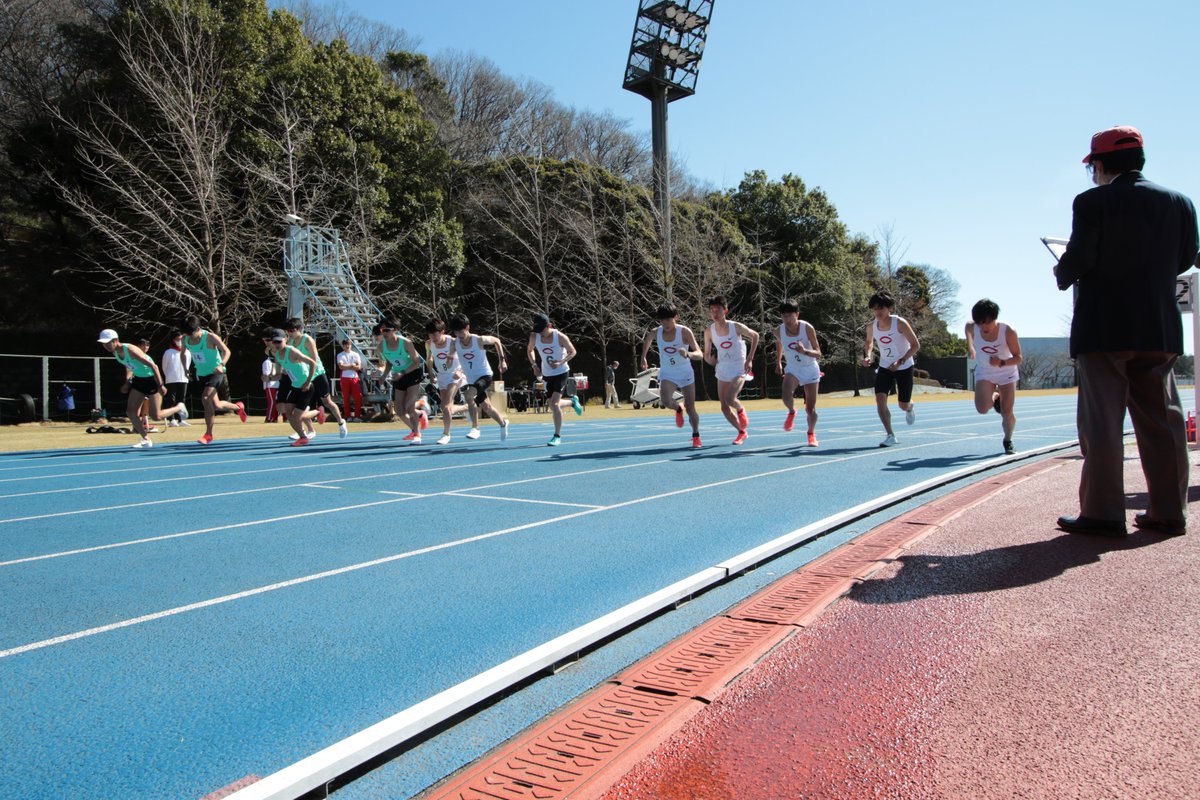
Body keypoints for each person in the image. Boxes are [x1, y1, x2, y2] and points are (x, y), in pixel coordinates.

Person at [1053, 125, 1198, 537]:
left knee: (1103, 424)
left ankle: (1102, 513)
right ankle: (1169, 511)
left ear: (1099, 165)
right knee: (1163, 422)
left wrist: (1061, 272)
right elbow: (1186, 258)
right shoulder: (1180, 203)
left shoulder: (1093, 202)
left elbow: (1079, 258)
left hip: (1104, 328)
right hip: (1159, 326)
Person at [97, 329, 188, 448]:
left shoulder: (130, 350)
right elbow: (129, 366)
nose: (105, 346)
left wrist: (160, 385)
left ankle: (178, 407)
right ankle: (145, 439)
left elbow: (153, 366)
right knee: (130, 412)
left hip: (152, 379)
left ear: (115, 340)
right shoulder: (115, 352)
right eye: (103, 343)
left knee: (156, 416)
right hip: (139, 380)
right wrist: (128, 382)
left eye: (107, 342)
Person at [640, 304, 704, 448]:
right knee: (666, 402)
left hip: (685, 373)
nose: (665, 324)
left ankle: (696, 435)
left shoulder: (684, 332)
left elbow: (700, 354)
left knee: (691, 408)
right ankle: (678, 409)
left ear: (676, 317)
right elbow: (648, 339)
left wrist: (688, 353)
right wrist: (643, 356)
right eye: (662, 320)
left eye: (668, 320)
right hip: (668, 373)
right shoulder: (656, 332)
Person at [862, 291, 920, 447]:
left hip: (905, 366)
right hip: (885, 366)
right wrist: (868, 356)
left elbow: (915, 345)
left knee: (903, 404)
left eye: (881, 308)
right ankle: (890, 435)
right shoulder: (871, 326)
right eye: (874, 309)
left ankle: (909, 406)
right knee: (880, 400)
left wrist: (900, 361)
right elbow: (869, 342)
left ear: (889, 308)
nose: (877, 312)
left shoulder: (899, 323)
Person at [965, 298, 1022, 455]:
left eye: (987, 322)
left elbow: (1018, 358)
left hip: (1006, 372)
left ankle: (1008, 440)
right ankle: (995, 396)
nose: (983, 327)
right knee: (982, 408)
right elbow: (968, 328)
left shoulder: (1008, 331)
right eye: (980, 323)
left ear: (995, 318)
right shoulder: (972, 326)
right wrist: (970, 347)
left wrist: (1002, 362)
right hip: (985, 371)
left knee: (1007, 412)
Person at [178, 316, 246, 444]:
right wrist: (186, 369)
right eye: (186, 334)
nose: (189, 337)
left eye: (191, 333)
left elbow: (226, 351)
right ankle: (238, 407)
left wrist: (222, 365)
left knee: (205, 398)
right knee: (216, 405)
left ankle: (208, 434)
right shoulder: (185, 339)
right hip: (201, 373)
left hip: (216, 372)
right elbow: (182, 354)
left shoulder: (210, 337)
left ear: (198, 328)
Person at [702, 296, 758, 445]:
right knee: (724, 406)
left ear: (725, 310)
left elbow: (755, 336)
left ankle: (741, 411)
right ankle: (741, 432)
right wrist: (710, 361)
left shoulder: (735, 327)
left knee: (730, 398)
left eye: (718, 310)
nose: (715, 313)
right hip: (722, 368)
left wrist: (750, 359)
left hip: (739, 367)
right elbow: (706, 354)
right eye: (712, 310)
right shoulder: (709, 331)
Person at [448, 313, 510, 442]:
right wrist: (456, 369)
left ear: (467, 328)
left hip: (485, 376)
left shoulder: (478, 340)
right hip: (472, 379)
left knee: (468, 395)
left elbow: (497, 341)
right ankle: (503, 423)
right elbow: (450, 361)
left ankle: (475, 428)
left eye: (461, 331)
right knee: (487, 407)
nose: (459, 335)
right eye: (456, 332)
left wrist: (502, 361)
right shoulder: (455, 343)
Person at [285, 318, 348, 439]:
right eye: (287, 331)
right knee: (301, 407)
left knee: (327, 402)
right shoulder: (291, 343)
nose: (289, 333)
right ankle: (306, 430)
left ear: (299, 329)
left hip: (317, 374)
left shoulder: (307, 340)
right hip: (304, 376)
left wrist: (309, 379)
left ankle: (341, 422)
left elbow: (314, 360)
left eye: (291, 330)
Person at [527, 313, 582, 446]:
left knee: (555, 404)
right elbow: (530, 350)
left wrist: (561, 362)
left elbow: (573, 351)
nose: (540, 333)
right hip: (546, 374)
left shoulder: (560, 337)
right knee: (551, 404)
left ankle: (557, 435)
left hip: (561, 372)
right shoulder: (534, 336)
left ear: (549, 326)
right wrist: (534, 365)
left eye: (542, 330)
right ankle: (572, 402)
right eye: (538, 330)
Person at [775, 299, 823, 447]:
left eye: (789, 316)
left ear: (797, 314)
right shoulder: (778, 330)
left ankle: (811, 434)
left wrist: (805, 351)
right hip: (793, 368)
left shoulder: (807, 328)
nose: (786, 319)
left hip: (810, 368)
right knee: (785, 394)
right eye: (783, 316)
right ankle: (791, 411)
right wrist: (778, 362)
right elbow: (779, 344)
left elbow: (818, 353)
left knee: (810, 409)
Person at [261, 328, 317, 446]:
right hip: (295, 387)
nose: (276, 344)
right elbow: (278, 375)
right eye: (274, 342)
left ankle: (318, 412)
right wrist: (269, 378)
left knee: (297, 416)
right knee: (287, 412)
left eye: (279, 341)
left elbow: (312, 363)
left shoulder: (292, 351)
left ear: (285, 340)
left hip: (306, 387)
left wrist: (307, 382)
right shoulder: (277, 355)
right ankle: (303, 437)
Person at [378, 319, 427, 444]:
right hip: (398, 376)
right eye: (382, 330)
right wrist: (384, 375)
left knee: (409, 407)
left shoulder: (406, 343)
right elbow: (389, 361)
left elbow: (417, 362)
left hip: (412, 373)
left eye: (387, 330)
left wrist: (403, 372)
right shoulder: (381, 347)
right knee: (399, 410)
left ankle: (417, 435)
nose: (384, 333)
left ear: (395, 330)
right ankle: (416, 424)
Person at [425, 318, 469, 445]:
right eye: (430, 334)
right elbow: (429, 358)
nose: (432, 336)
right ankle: (467, 407)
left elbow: (464, 357)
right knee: (445, 407)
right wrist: (430, 372)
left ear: (442, 331)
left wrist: (460, 371)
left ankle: (446, 434)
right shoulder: (428, 344)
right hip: (441, 376)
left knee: (445, 406)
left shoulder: (453, 342)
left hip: (454, 375)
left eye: (435, 333)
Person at [161, 333, 191, 427]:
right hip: (171, 379)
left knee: (182, 399)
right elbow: (164, 366)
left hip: (183, 378)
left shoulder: (187, 351)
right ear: (173, 340)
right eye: (177, 339)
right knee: (171, 399)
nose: (179, 342)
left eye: (181, 339)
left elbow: (188, 364)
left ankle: (181, 419)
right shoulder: (168, 352)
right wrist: (169, 375)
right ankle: (171, 419)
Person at [336, 338, 364, 422]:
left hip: (354, 377)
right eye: (345, 344)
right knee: (346, 398)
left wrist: (347, 366)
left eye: (349, 344)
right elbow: (341, 367)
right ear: (343, 345)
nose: (347, 346)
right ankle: (348, 416)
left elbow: (358, 367)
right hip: (344, 378)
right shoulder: (340, 355)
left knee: (358, 397)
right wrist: (352, 365)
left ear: (351, 345)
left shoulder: (355, 354)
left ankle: (357, 416)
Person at [262, 349, 282, 423]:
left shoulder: (277, 362)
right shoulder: (267, 362)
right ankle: (269, 418)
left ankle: (275, 418)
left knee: (276, 402)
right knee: (272, 402)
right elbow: (266, 375)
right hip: (270, 385)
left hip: (277, 385)